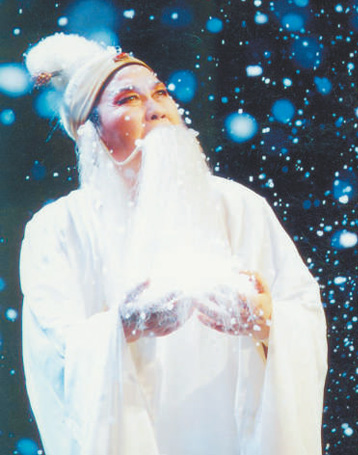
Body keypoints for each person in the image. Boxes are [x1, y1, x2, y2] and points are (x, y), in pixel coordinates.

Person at [20, 33, 327, 455]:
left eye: (160, 93)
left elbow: (305, 317)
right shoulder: (58, 228)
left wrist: (265, 319)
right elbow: (55, 354)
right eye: (128, 99)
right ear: (93, 132)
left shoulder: (238, 207)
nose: (156, 109)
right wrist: (124, 327)